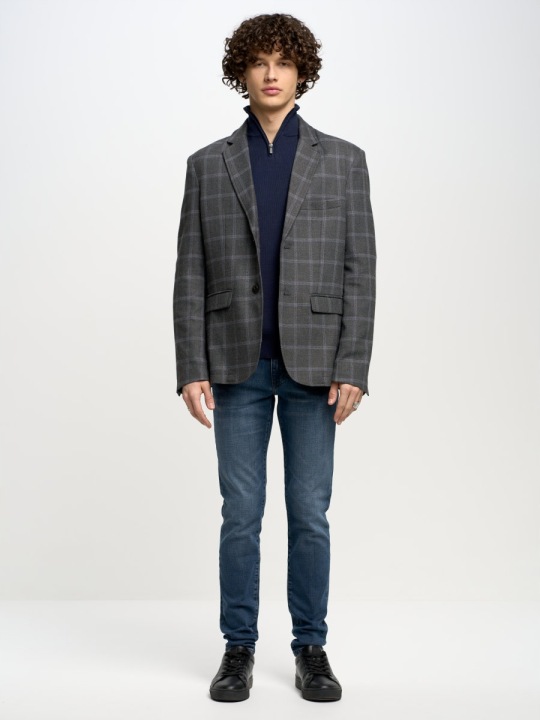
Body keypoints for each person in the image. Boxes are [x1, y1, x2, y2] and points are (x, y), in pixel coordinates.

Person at [173, 13, 376, 703]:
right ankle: (238, 648)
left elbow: (359, 269)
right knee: (241, 513)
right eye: (258, 61)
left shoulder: (343, 160)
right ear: (242, 71)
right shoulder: (208, 164)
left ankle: (311, 647)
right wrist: (190, 364)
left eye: (282, 62)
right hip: (235, 364)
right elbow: (191, 270)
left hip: (316, 365)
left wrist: (353, 364)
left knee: (309, 513)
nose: (270, 73)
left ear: (300, 72)